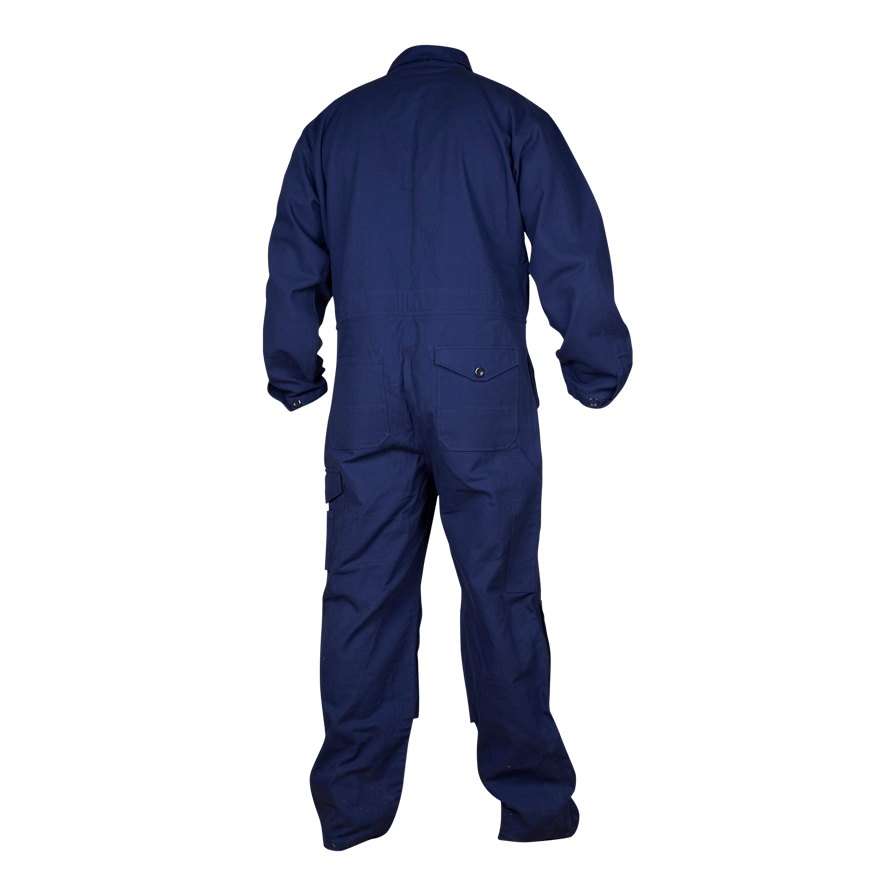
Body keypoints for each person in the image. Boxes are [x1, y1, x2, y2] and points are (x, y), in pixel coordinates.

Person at [261, 43, 634, 852]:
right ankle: (533, 809)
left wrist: (292, 370)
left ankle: (352, 813)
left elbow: (293, 257)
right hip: (482, 384)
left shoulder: (332, 126)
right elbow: (569, 243)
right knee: (500, 592)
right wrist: (595, 365)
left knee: (360, 596)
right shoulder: (510, 116)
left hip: (367, 386)